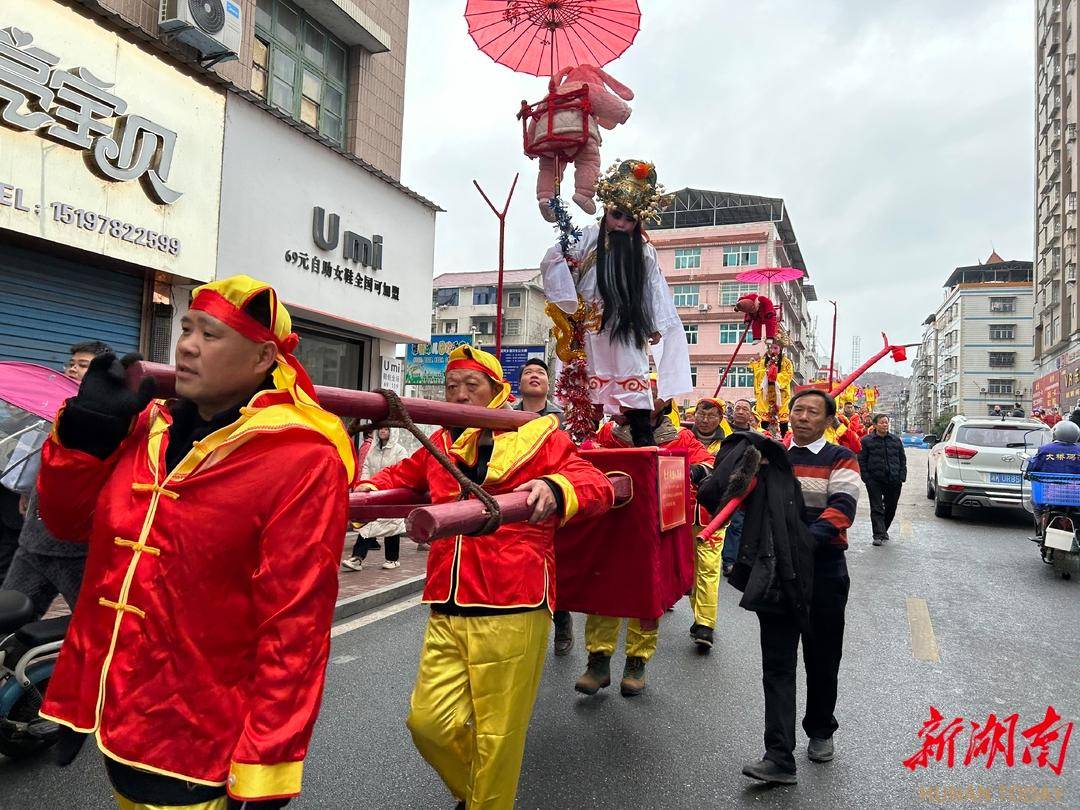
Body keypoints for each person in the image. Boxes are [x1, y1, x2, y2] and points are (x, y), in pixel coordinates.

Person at [35, 275, 356, 809]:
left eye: (210, 335)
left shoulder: (301, 458)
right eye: (186, 329)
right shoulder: (146, 427)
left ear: (262, 359)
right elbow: (67, 524)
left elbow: (294, 626)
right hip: (119, 730)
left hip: (203, 753)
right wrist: (84, 435)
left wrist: (264, 770)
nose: (186, 345)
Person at [359, 344, 613, 810]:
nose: (457, 394)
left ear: (497, 392)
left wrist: (555, 487)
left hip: (513, 600)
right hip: (446, 602)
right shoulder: (439, 442)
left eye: (470, 385)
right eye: (451, 385)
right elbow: (400, 473)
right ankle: (475, 794)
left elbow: (595, 485)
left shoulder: (537, 436)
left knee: (499, 734)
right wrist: (368, 487)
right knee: (427, 722)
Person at [742, 389, 859, 785]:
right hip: (777, 574)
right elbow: (744, 499)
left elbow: (842, 508)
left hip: (823, 571)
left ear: (829, 421)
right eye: (798, 409)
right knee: (777, 664)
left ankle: (821, 728)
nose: (803, 416)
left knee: (822, 658)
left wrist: (804, 544)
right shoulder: (775, 460)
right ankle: (778, 756)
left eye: (813, 412)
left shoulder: (840, 458)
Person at [540, 158, 692, 447]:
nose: (621, 224)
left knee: (635, 385)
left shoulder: (645, 251)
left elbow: (653, 287)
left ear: (638, 222)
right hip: (590, 328)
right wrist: (567, 277)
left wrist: (653, 323)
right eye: (616, 215)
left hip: (628, 327)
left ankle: (646, 447)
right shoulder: (584, 238)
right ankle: (580, 448)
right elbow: (552, 260)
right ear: (606, 211)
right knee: (586, 388)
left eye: (629, 219)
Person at [585, 386, 714, 673]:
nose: (645, 396)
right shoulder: (609, 434)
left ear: (666, 401)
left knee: (648, 593)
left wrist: (690, 471)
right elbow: (587, 461)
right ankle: (598, 657)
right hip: (615, 525)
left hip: (657, 529)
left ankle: (637, 660)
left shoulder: (682, 438)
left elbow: (708, 463)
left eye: (653, 392)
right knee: (606, 588)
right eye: (640, 389)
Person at [1, 340, 113, 618]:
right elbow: (33, 459)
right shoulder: (50, 407)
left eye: (83, 365)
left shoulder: (114, 418)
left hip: (78, 547)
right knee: (11, 614)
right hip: (33, 539)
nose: (73, 369)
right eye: (72, 364)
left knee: (94, 623)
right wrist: (28, 490)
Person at [512, 357, 575, 656]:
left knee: (558, 564)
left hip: (554, 497)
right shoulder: (506, 417)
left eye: (540, 372)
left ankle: (562, 619)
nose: (534, 376)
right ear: (520, 383)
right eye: (528, 373)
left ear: (549, 384)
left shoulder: (565, 418)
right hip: (517, 499)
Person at [343, 427, 410, 571]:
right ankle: (357, 557)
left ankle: (392, 559)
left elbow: (403, 471)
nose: (382, 431)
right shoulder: (373, 450)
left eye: (386, 429)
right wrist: (364, 485)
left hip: (391, 493)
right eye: (380, 429)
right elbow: (366, 468)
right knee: (367, 526)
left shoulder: (399, 451)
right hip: (373, 492)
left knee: (392, 526)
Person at [858, 413, 906, 546]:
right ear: (875, 425)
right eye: (882, 422)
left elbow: (902, 459)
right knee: (877, 507)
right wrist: (866, 477)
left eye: (886, 422)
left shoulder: (895, 440)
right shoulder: (866, 441)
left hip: (894, 479)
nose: (885, 424)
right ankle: (878, 535)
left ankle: (883, 529)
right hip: (874, 480)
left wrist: (902, 476)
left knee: (891, 507)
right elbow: (861, 460)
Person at [720, 399, 756, 576]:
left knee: (736, 523)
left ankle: (730, 561)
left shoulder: (757, 437)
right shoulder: (722, 431)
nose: (740, 411)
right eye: (737, 408)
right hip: (720, 483)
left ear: (750, 414)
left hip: (742, 485)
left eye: (745, 409)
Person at [750, 343, 794, 435]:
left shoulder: (786, 362)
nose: (772, 350)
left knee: (783, 417)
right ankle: (763, 436)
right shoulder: (763, 361)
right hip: (765, 391)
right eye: (770, 348)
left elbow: (788, 375)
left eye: (775, 348)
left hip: (781, 392)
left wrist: (774, 376)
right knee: (763, 415)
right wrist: (766, 373)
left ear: (780, 348)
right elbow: (758, 373)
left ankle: (784, 438)